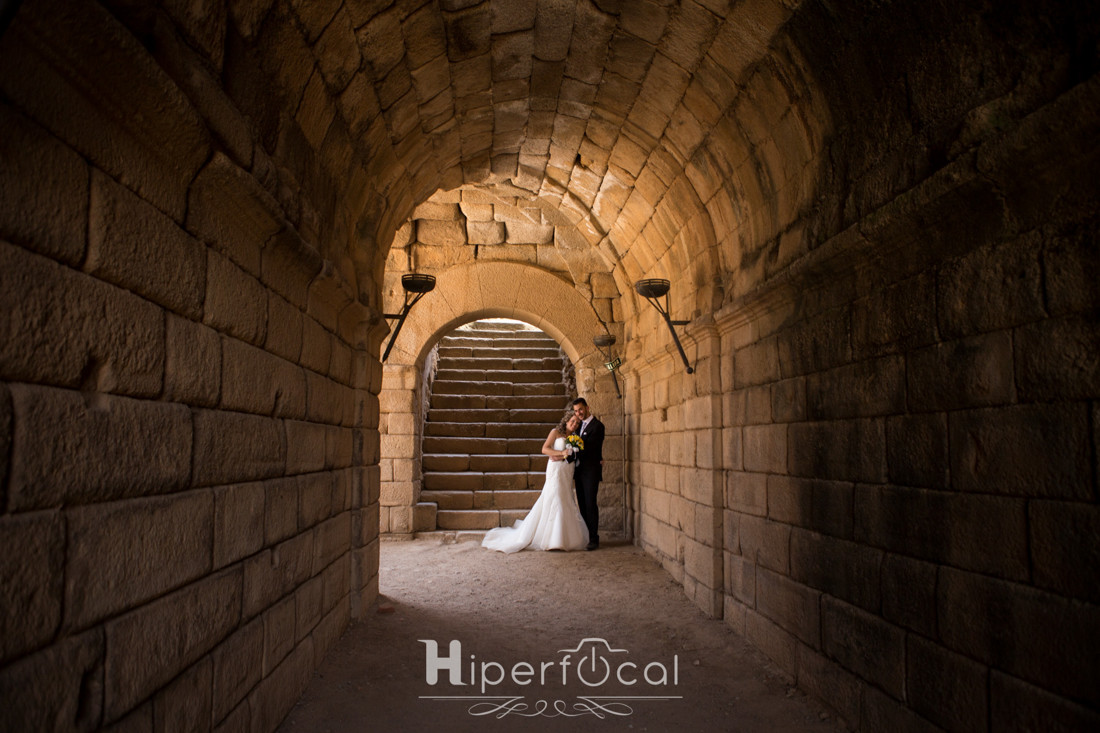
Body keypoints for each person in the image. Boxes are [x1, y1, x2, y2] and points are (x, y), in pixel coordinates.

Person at [481, 414, 589, 553]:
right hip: (555, 470)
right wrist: (561, 453)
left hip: (567, 471)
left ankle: (566, 537)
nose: (574, 424)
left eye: (577, 423)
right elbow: (544, 449)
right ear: (567, 420)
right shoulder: (555, 432)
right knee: (554, 496)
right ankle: (553, 539)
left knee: (566, 497)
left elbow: (576, 454)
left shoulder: (576, 437)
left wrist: (573, 454)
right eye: (572, 421)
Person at [567, 397, 604, 550]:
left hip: (591, 471)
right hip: (579, 472)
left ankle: (594, 538)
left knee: (590, 504)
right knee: (582, 504)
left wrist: (570, 455)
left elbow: (590, 449)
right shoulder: (578, 425)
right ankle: (586, 536)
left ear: (587, 407)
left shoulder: (598, 426)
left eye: (581, 409)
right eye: (576, 411)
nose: (579, 413)